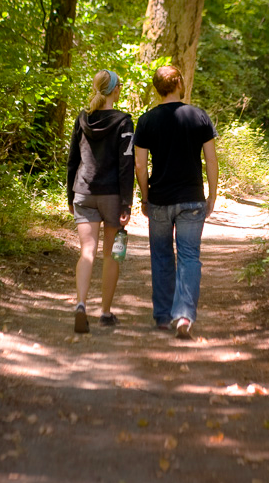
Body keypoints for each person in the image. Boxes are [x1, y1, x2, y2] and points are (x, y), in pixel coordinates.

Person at [133, 65, 218, 339]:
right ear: (179, 83)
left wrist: (145, 197)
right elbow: (211, 161)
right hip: (192, 199)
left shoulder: (146, 121)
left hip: (159, 199)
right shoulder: (199, 116)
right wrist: (212, 195)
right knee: (190, 256)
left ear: (157, 88)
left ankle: (161, 316)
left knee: (161, 255)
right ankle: (183, 316)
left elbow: (140, 165)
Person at [66, 69, 135, 333]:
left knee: (87, 252)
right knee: (111, 255)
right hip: (111, 196)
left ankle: (81, 305)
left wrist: (70, 195)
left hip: (83, 192)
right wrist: (126, 203)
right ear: (116, 90)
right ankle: (105, 312)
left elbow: (73, 160)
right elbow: (126, 165)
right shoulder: (124, 122)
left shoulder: (82, 119)